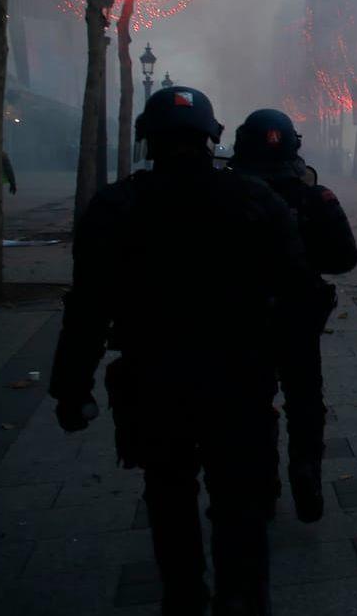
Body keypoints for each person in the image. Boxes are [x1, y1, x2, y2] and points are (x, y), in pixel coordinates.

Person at [49, 87, 317, 616]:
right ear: (211, 137)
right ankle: (241, 598)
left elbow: (86, 308)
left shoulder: (115, 206)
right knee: (239, 501)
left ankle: (183, 595)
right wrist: (292, 367)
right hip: (238, 379)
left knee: (169, 494)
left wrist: (70, 388)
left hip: (154, 381)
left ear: (147, 139)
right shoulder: (254, 200)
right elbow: (297, 291)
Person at [229, 108, 357, 523]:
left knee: (253, 400)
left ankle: (263, 484)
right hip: (299, 315)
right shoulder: (314, 197)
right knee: (304, 396)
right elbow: (343, 258)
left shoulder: (224, 197)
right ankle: (306, 467)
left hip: (241, 317)